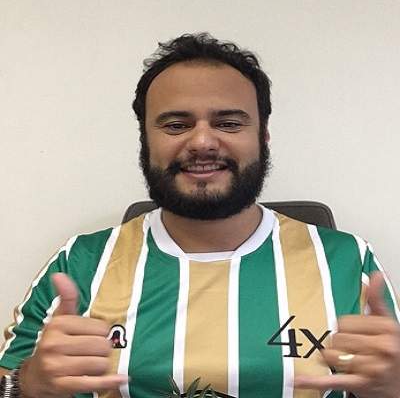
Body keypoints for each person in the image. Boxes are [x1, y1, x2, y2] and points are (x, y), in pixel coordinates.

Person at [0, 33, 399, 398]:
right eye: (176, 124)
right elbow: (7, 382)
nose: (203, 141)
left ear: (263, 137)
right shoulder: (80, 263)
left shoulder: (347, 261)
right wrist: (29, 383)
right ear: (145, 141)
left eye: (228, 123)